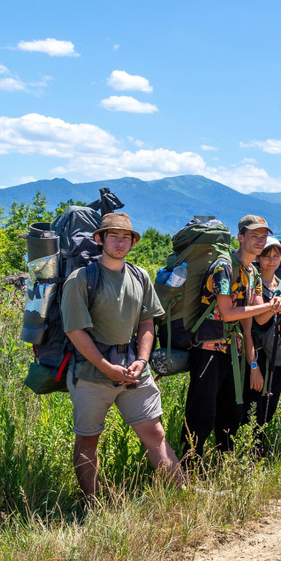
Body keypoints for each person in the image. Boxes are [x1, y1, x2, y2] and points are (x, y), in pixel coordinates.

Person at [61, 212, 186, 500]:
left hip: (133, 371)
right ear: (99, 239)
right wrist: (107, 367)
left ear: (132, 243)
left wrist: (142, 361)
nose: (120, 242)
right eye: (114, 236)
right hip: (91, 374)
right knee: (88, 439)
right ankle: (91, 504)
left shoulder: (139, 276)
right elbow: (75, 331)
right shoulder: (80, 280)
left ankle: (184, 496)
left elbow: (146, 322)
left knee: (155, 433)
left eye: (126, 237)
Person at [183, 214, 281, 463]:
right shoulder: (223, 266)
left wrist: (275, 306)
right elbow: (228, 313)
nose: (260, 241)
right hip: (208, 349)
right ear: (240, 237)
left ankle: (223, 469)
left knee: (231, 413)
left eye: (263, 236)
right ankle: (188, 470)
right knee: (201, 414)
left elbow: (256, 320)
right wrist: (267, 307)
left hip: (234, 351)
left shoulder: (252, 273)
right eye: (254, 236)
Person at [241, 235, 281, 453]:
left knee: (269, 410)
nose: (271, 260)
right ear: (259, 258)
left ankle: (259, 451)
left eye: (276, 255)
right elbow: (257, 322)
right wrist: (253, 367)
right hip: (258, 353)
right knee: (254, 407)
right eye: (267, 255)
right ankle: (250, 454)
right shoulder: (252, 285)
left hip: (277, 356)